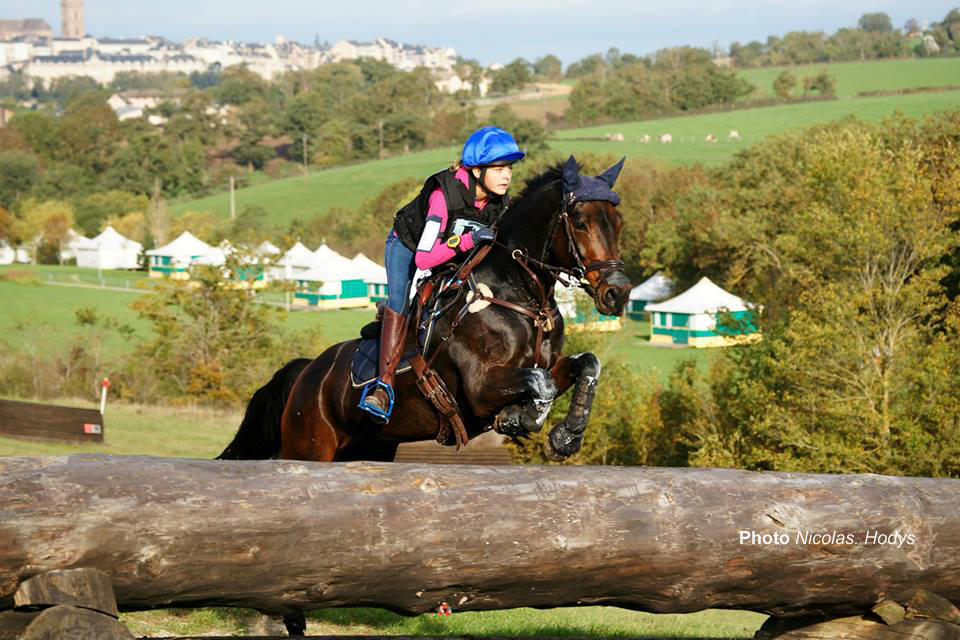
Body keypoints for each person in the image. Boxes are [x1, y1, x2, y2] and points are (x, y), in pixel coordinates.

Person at [358, 126, 525, 422]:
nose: (507, 175)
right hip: (407, 247)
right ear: (476, 171)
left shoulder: (501, 201)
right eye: (498, 168)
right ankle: (383, 386)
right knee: (401, 301)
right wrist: (469, 241)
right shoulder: (443, 194)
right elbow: (424, 258)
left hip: (450, 253)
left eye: (509, 168)